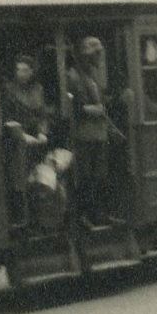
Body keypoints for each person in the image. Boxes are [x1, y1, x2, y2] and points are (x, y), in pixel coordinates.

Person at [67, 36, 113, 226]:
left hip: (98, 133)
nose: (99, 58)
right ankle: (84, 215)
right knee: (85, 176)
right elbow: (75, 105)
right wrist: (92, 109)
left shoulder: (93, 74)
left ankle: (98, 213)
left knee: (100, 175)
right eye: (96, 54)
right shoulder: (73, 75)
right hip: (84, 134)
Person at [1, 55, 50, 226]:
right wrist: (22, 135)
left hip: (36, 141)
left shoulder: (38, 89)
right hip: (17, 141)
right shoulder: (9, 90)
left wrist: (43, 132)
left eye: (25, 70)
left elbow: (42, 115)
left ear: (31, 72)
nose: (21, 73)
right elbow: (6, 118)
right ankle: (23, 220)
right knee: (20, 180)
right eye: (18, 69)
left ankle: (39, 219)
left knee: (38, 178)